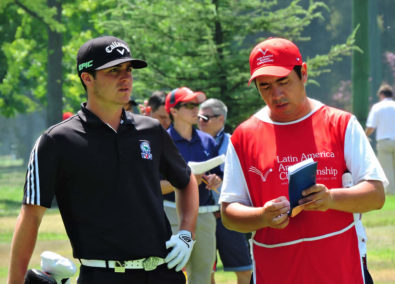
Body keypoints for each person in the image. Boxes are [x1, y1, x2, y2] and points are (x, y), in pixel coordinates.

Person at [8, 35, 199, 284]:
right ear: (87, 78)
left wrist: (186, 233)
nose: (126, 77)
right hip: (101, 276)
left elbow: (186, 181)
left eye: (128, 70)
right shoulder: (57, 141)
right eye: (114, 71)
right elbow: (30, 216)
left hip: (163, 274)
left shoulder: (151, 130)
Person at [219, 37, 387, 284]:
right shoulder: (244, 137)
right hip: (274, 272)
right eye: (265, 86)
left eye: (283, 81)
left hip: (342, 271)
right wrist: (263, 217)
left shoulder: (341, 124)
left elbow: (376, 195)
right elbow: (229, 214)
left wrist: (330, 198)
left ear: (303, 73)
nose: (276, 94)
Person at [162, 87, 222, 284]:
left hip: (204, 214)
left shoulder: (207, 140)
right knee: (170, 273)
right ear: (173, 111)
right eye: (189, 105)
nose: (196, 109)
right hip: (170, 214)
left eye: (197, 105)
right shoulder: (162, 141)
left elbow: (218, 174)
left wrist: (215, 180)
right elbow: (153, 186)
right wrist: (185, 182)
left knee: (202, 277)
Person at [198, 98, 252, 284]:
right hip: (202, 216)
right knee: (206, 272)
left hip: (227, 216)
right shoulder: (193, 142)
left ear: (220, 119)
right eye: (198, 117)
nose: (199, 122)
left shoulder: (233, 143)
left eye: (204, 118)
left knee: (244, 269)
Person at [366, 83, 395, 195]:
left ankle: (390, 193)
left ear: (381, 95)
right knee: (394, 167)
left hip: (384, 141)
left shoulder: (377, 107)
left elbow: (371, 126)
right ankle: (394, 190)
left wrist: (365, 135)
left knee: (387, 168)